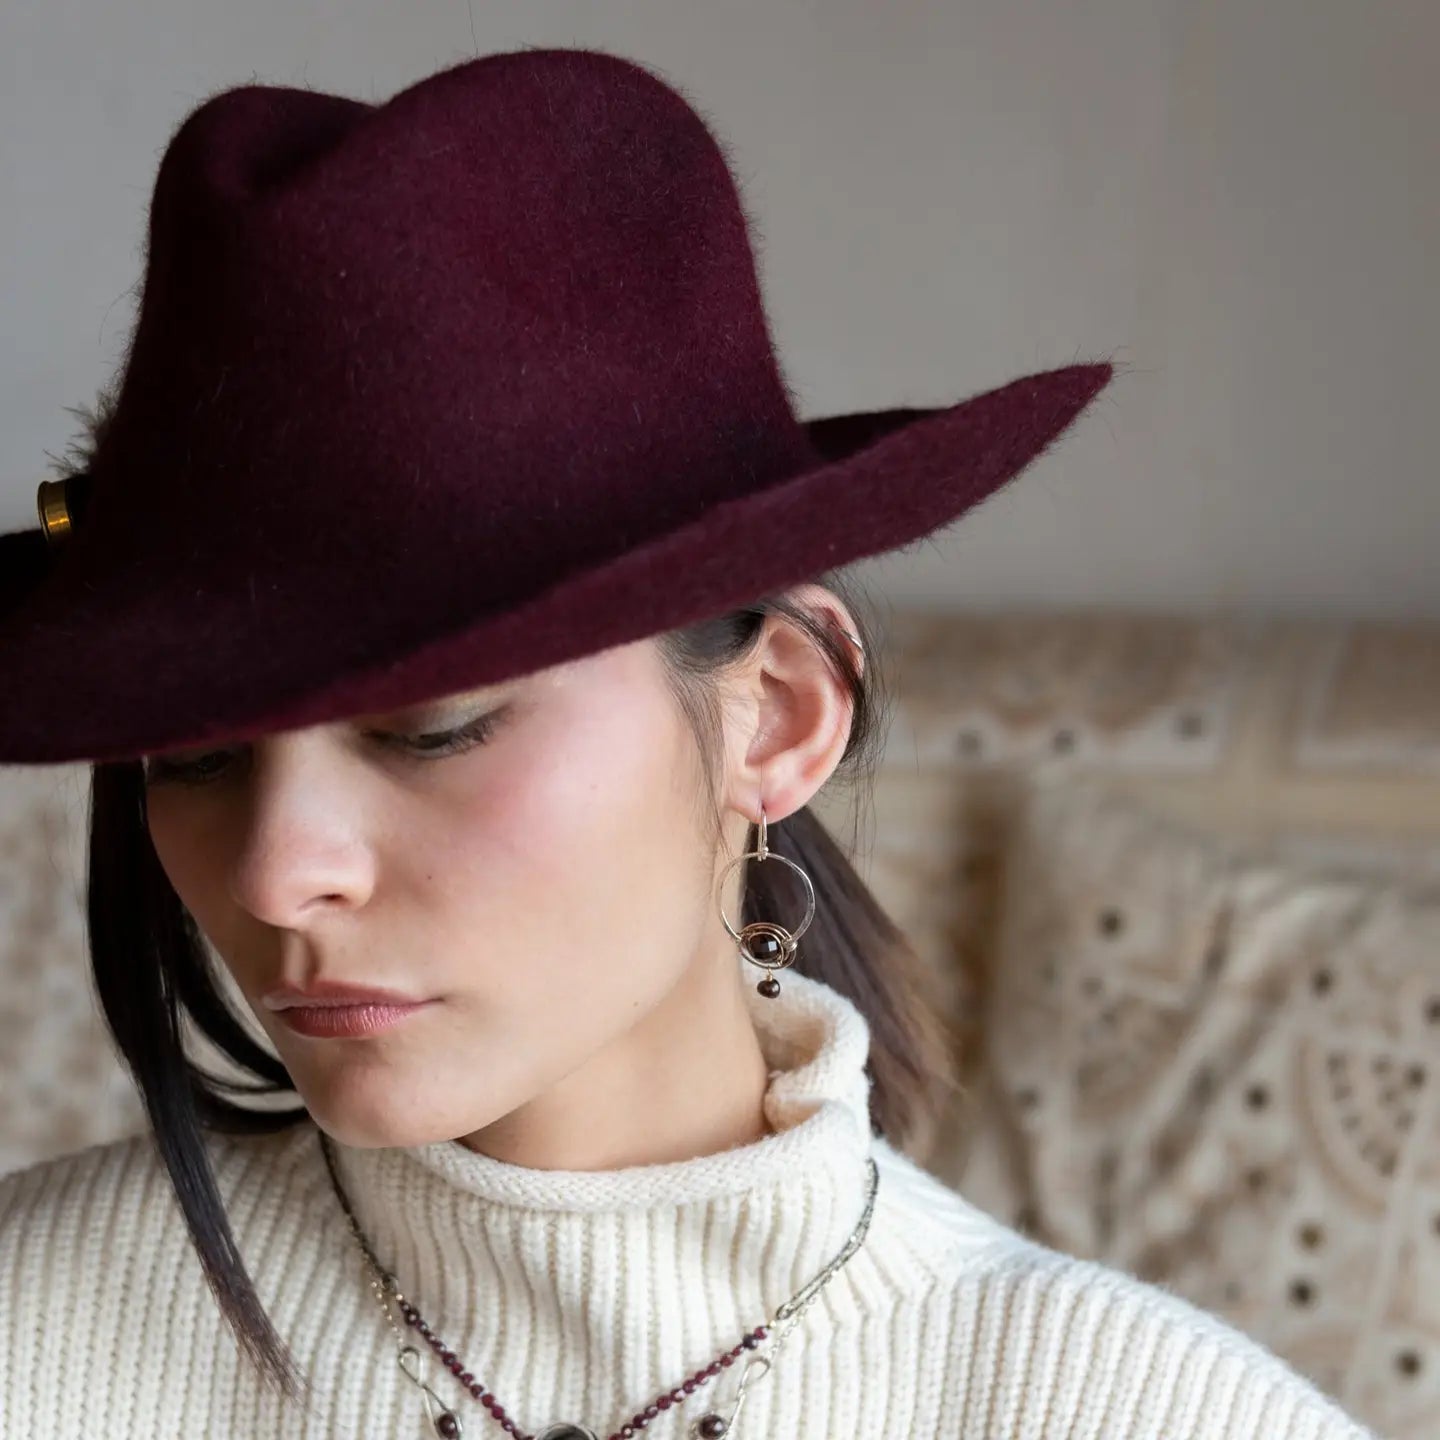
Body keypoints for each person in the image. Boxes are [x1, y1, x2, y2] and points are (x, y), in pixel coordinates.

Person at [0, 45, 1373, 1440]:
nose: (277, 873)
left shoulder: (1142, 1413)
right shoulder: (32, 1335)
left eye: (430, 728)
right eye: (196, 755)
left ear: (775, 716)